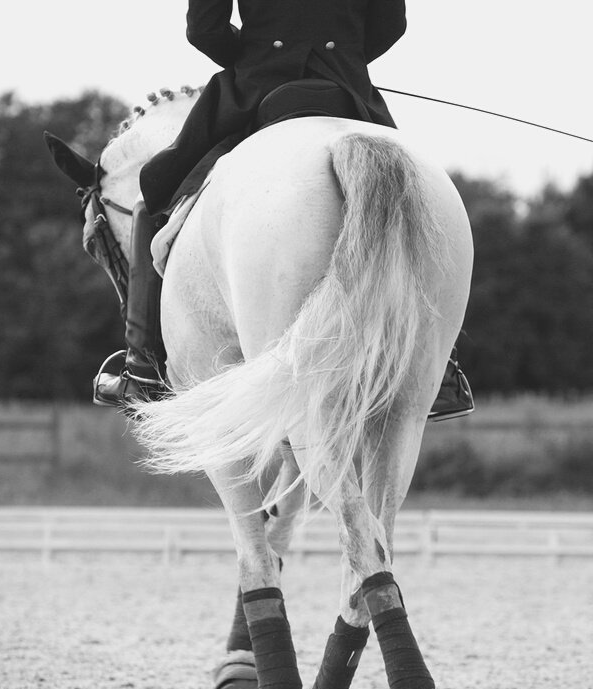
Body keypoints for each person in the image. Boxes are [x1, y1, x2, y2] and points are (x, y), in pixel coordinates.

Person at [93, 0, 474, 421]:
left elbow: (205, 31)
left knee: (154, 193)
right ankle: (442, 370)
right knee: (413, 202)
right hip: (346, 91)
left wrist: (261, 54)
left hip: (257, 91)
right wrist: (337, 57)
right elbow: (391, 25)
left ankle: (143, 368)